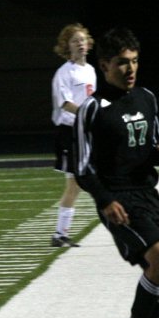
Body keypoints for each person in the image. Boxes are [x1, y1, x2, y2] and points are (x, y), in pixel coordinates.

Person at [73, 27, 159, 318]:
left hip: (147, 195)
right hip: (118, 199)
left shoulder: (146, 98)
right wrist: (105, 201)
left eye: (134, 62)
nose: (130, 69)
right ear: (104, 66)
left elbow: (153, 146)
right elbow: (81, 167)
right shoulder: (92, 109)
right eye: (122, 63)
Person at [50, 23, 98, 247]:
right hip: (69, 131)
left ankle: (61, 234)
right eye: (75, 41)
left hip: (85, 130)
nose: (80, 43)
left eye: (83, 39)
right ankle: (60, 234)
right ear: (67, 46)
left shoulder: (90, 70)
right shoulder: (64, 72)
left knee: (83, 181)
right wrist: (88, 114)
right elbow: (66, 103)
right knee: (74, 183)